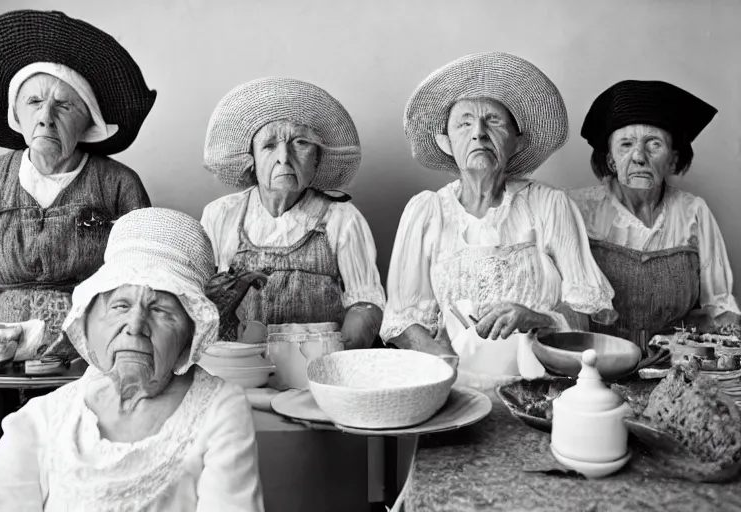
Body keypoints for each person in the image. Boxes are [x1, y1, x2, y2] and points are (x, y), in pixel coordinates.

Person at [0, 208, 264, 511]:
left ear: (190, 330)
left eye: (161, 310)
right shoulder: (41, 419)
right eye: (120, 305)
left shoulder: (220, 410)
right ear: (92, 319)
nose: (136, 325)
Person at [381, 53, 616, 369]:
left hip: (539, 383)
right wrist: (446, 363)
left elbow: (584, 316)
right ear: (446, 142)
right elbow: (401, 319)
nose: (478, 132)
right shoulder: (427, 212)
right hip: (451, 383)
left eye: (493, 121)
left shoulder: (550, 205)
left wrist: (536, 318)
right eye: (464, 123)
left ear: (516, 141)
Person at [0, 10, 154, 360]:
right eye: (34, 102)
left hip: (90, 349)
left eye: (64, 106)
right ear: (17, 114)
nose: (45, 117)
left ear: (88, 123)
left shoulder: (118, 184)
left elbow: (141, 274)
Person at [201, 77, 384, 348]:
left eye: (300, 143)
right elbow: (202, 302)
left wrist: (336, 362)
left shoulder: (342, 219)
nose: (284, 157)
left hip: (318, 367)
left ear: (317, 159)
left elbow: (365, 305)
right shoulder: (221, 215)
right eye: (269, 145)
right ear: (251, 159)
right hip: (243, 367)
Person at [570, 80, 740, 344]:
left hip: (674, 364)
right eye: (626, 144)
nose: (639, 157)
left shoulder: (693, 212)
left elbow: (719, 307)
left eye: (653, 144)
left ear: (672, 159)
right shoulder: (578, 209)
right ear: (611, 160)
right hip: (596, 364)